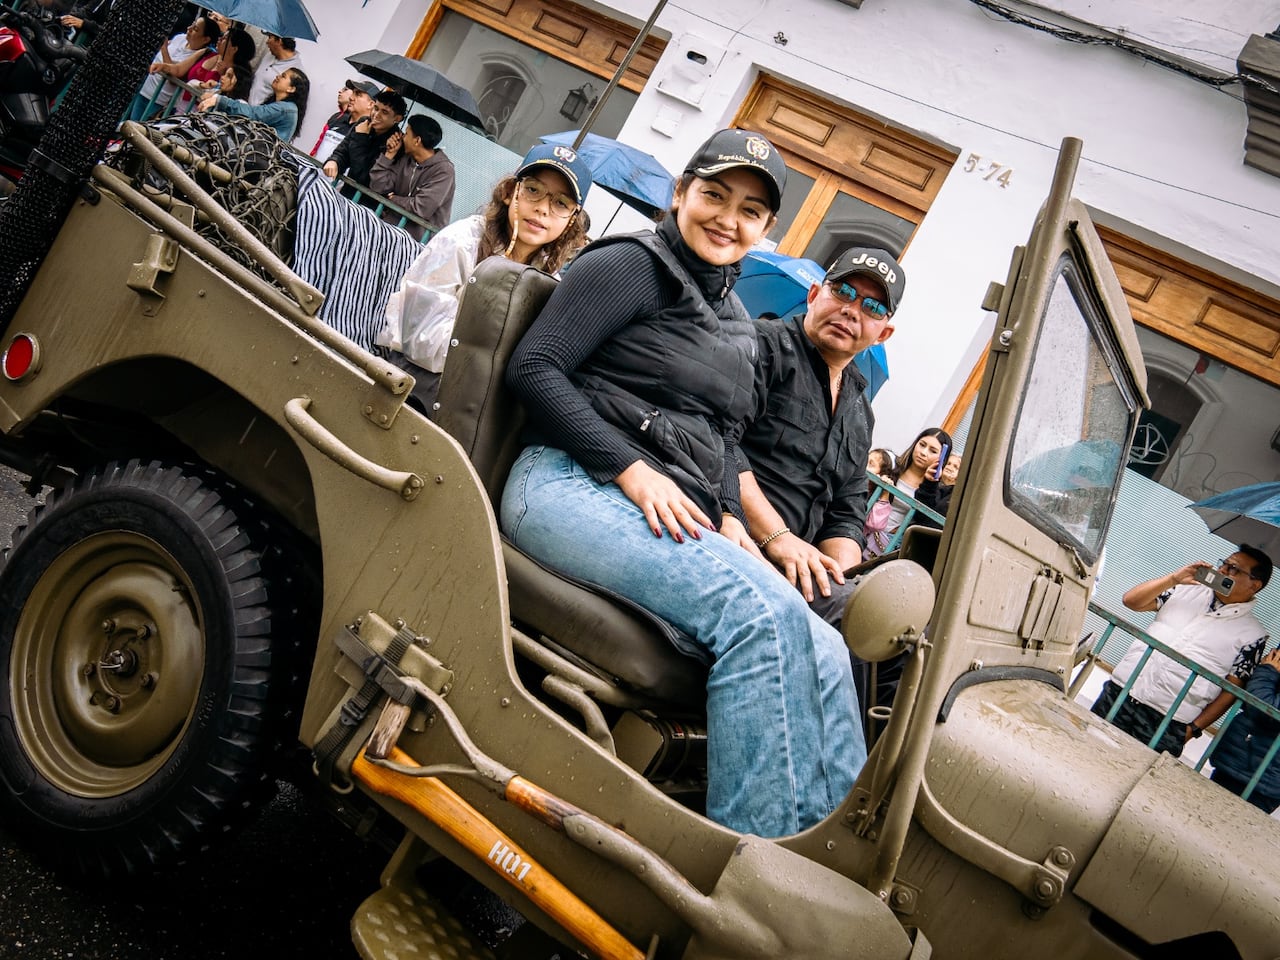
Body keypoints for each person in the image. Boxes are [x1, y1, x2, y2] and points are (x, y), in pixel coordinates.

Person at [500, 128, 866, 838]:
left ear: (766, 228)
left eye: (750, 211)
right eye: (714, 196)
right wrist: (631, 470)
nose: (728, 219)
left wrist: (730, 514)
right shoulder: (631, 264)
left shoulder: (734, 318)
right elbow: (535, 368)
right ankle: (748, 863)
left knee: (821, 641)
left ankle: (821, 852)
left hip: (656, 506)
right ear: (680, 194)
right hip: (565, 482)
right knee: (760, 617)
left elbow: (721, 436)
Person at [733, 247, 904, 718]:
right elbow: (720, 445)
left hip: (801, 571)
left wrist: (837, 576)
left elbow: (847, 509)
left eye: (872, 307)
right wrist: (778, 538)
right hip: (737, 541)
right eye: (842, 291)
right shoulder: (762, 346)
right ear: (814, 294)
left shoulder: (860, 408)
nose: (851, 310)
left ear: (883, 332)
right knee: (882, 638)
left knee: (894, 633)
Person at [376, 143, 591, 410]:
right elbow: (418, 336)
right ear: (510, 192)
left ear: (571, 220)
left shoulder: (549, 281)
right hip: (412, 387)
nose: (543, 209)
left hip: (480, 409)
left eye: (561, 203)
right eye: (534, 190)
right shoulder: (462, 242)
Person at [1090, 547, 1270, 757]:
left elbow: (1232, 689)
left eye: (1233, 569)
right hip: (1119, 693)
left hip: (1167, 721)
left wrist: (1193, 729)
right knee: (1084, 751)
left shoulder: (1253, 635)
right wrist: (1173, 578)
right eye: (1224, 563)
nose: (1222, 570)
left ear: (1254, 585)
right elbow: (1132, 601)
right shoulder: (1184, 589)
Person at [1211, 645, 1280, 813]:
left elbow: (1265, 709)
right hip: (1238, 764)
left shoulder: (1269, 672)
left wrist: (1267, 671)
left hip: (1261, 780)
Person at [370, 114, 456, 239]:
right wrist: (389, 155)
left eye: (406, 133)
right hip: (387, 232)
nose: (402, 137)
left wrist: (393, 199)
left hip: (416, 243)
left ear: (417, 141)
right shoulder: (406, 159)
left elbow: (421, 208)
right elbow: (378, 187)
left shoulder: (444, 170)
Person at [128, 15, 220, 121]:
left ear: (205, 39)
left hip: (159, 98)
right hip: (143, 88)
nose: (189, 28)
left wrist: (164, 49)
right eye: (192, 24)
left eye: (195, 29)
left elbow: (175, 73)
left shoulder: (199, 56)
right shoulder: (179, 38)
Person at [198, 65, 308, 141]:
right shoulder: (284, 106)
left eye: (283, 76)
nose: (278, 76)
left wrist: (219, 100)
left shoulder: (286, 109)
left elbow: (253, 114)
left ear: (291, 89)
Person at [323, 89, 405, 189]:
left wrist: (361, 137)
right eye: (376, 108)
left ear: (397, 118)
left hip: (365, 196)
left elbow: (363, 177)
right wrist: (334, 161)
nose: (376, 115)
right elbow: (343, 151)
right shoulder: (364, 122)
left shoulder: (395, 143)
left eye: (384, 112)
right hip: (345, 191)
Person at [310, 79, 378, 161]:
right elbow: (318, 148)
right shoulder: (338, 118)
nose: (351, 98)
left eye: (358, 94)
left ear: (371, 104)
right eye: (353, 93)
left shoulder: (370, 134)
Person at [247, 33, 301, 106]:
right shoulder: (269, 55)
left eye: (270, 37)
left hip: (263, 111)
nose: (267, 42)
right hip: (247, 107)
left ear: (279, 41)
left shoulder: (295, 71)